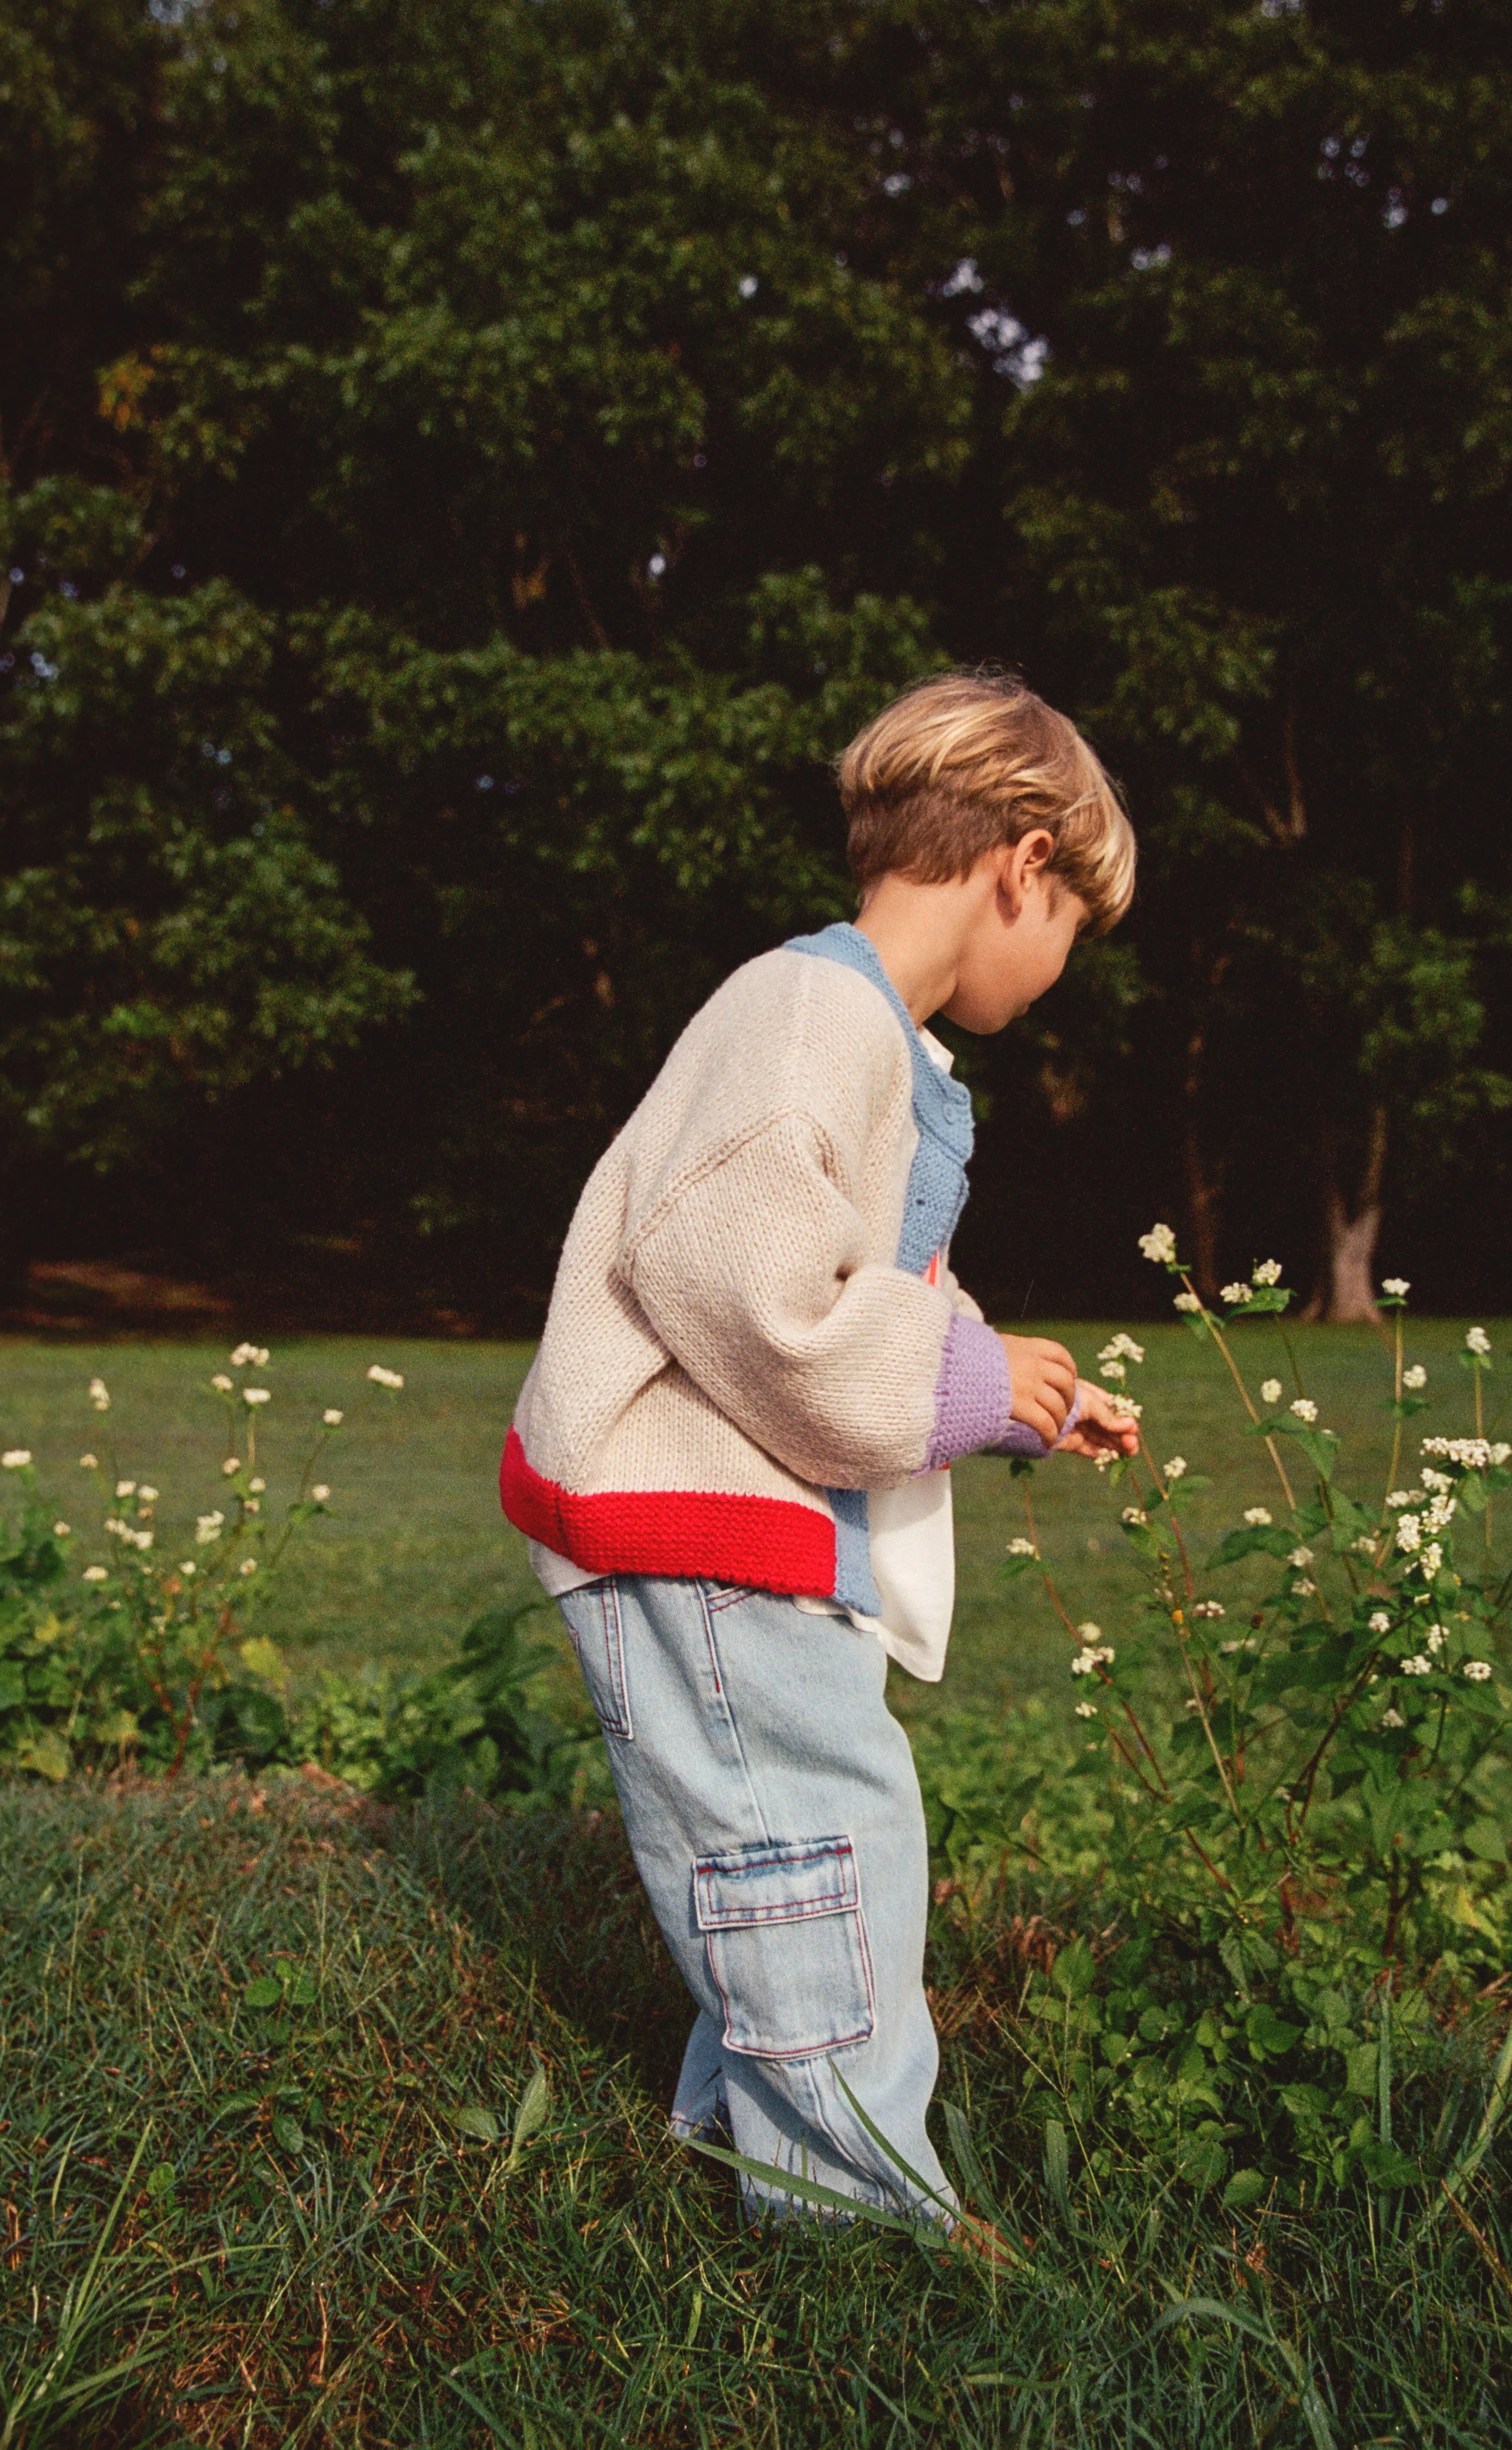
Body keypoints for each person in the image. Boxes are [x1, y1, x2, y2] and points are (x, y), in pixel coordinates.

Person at [500, 670, 1140, 2226]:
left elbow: (865, 1282)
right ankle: (854, 2222)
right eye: (1073, 928)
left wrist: (1014, 1390)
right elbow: (759, 1290)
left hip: (737, 1517)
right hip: (689, 1516)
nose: (1064, 967)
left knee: (788, 1836)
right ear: (1022, 868)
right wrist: (971, 1377)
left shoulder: (870, 1040)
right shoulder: (808, 1017)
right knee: (816, 1837)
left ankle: (748, 2143)